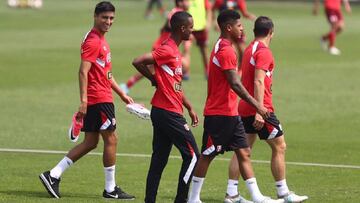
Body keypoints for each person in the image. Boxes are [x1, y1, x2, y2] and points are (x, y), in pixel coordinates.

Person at [39, 1, 135, 200]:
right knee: (112, 139)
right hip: (98, 98)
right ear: (95, 16)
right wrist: (83, 100)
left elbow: (106, 73)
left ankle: (53, 174)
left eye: (111, 18)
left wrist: (121, 94)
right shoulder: (94, 41)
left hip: (101, 96)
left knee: (91, 142)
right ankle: (110, 189)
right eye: (105, 18)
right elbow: (83, 72)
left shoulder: (100, 39)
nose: (108, 22)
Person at [187, 10, 283, 203]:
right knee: (207, 155)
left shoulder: (223, 46)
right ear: (228, 27)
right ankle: (193, 198)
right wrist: (258, 106)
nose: (242, 28)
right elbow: (235, 84)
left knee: (244, 152)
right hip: (219, 113)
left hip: (231, 112)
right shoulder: (225, 50)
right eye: (239, 25)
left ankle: (253, 197)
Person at [226, 16, 309, 203]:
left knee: (243, 150)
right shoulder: (264, 52)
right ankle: (283, 193)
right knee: (280, 146)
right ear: (271, 32)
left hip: (244, 107)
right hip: (261, 108)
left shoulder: (249, 49)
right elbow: (258, 80)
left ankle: (231, 194)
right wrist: (259, 110)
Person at [132, 11, 200, 203]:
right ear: (182, 28)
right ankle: (181, 200)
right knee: (193, 156)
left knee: (159, 160)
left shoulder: (174, 51)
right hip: (168, 113)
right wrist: (153, 78)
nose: (192, 31)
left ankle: (150, 200)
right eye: (191, 27)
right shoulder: (168, 50)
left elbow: (175, 85)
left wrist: (188, 106)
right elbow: (137, 61)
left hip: (163, 111)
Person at [120, 0, 191, 94]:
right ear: (180, 2)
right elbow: (170, 25)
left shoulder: (181, 14)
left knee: (154, 69)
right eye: (187, 1)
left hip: (166, 47)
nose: (189, 3)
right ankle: (127, 86)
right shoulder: (176, 12)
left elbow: (163, 29)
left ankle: (127, 86)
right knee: (182, 66)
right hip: (163, 48)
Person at [187, 0, 212, 79]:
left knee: (204, 50)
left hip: (201, 27)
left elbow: (209, 9)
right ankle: (185, 72)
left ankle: (208, 71)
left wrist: (208, 22)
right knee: (186, 48)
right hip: (189, 27)